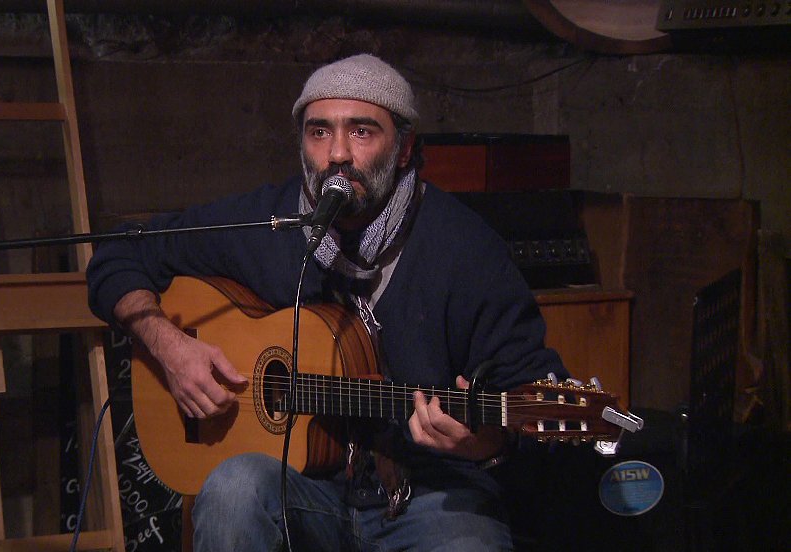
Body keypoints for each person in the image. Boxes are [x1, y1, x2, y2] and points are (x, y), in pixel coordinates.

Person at [87, 53, 567, 551]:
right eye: (319, 132)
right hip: (305, 489)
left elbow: (533, 400)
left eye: (361, 131)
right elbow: (119, 253)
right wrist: (170, 348)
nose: (337, 153)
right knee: (234, 491)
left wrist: (485, 444)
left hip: (430, 498)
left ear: (404, 149)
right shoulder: (269, 222)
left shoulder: (466, 249)